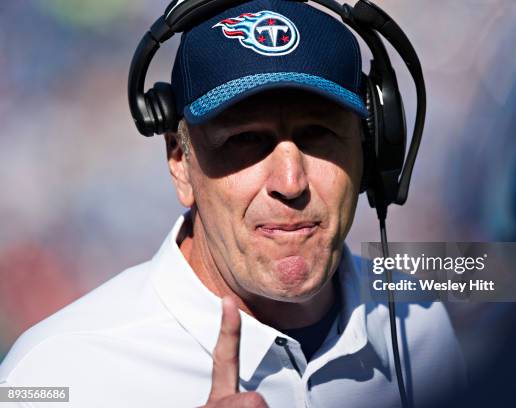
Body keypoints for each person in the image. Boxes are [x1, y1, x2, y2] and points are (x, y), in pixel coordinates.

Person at [0, 1, 465, 407]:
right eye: (246, 140)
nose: (290, 180)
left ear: (372, 147)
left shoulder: (419, 321)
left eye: (319, 134)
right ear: (180, 162)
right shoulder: (55, 372)